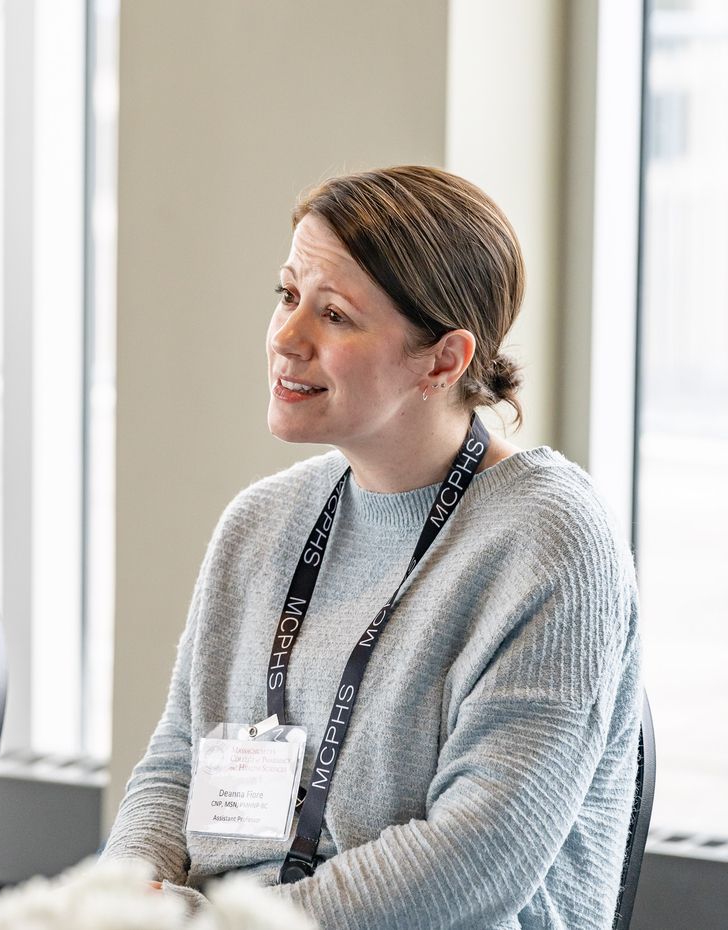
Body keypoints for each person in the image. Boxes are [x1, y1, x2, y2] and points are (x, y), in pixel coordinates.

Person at [102, 166, 641, 929]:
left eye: (335, 316)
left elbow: (478, 859)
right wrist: (126, 904)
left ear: (445, 360)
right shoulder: (261, 525)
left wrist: (212, 927)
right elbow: (176, 765)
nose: (287, 339)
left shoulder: (549, 541)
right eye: (288, 296)